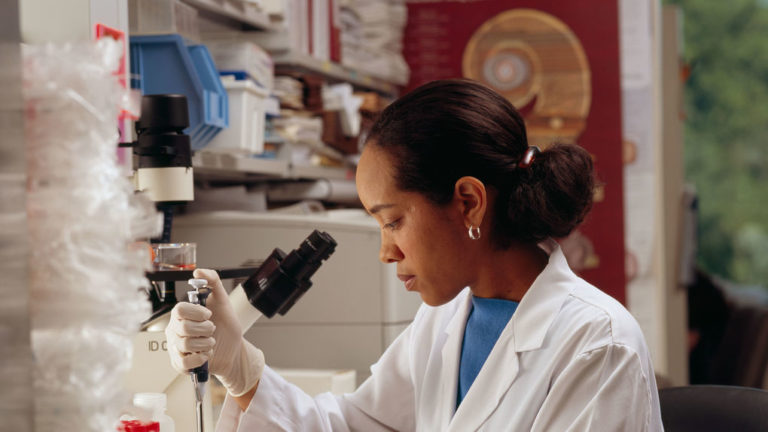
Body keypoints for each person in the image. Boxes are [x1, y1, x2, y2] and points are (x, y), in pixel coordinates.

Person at [165, 79, 664, 431]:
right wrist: (240, 367)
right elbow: (357, 426)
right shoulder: (447, 318)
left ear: (468, 202)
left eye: (393, 221)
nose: (386, 252)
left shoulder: (598, 345)